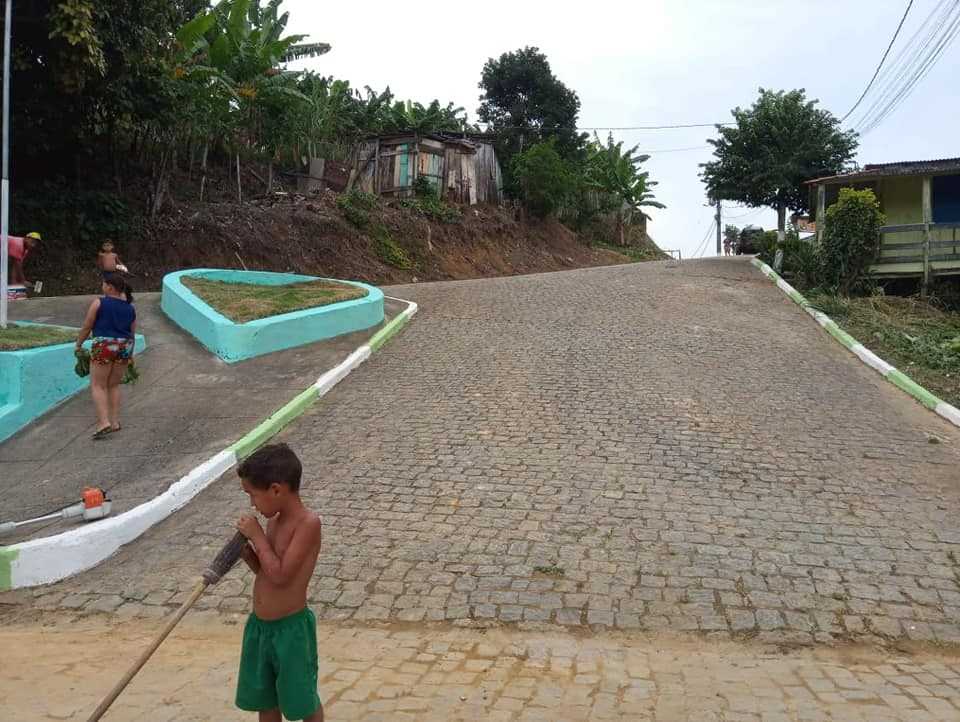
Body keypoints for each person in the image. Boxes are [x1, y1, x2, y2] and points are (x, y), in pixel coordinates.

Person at [235, 443, 324, 722]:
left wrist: (258, 537)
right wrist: (249, 554)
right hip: (261, 629)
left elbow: (282, 576)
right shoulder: (273, 521)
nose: (252, 504)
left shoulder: (307, 524)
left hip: (291, 632)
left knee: (302, 698)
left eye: (253, 495)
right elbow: (267, 572)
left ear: (276, 490)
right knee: (266, 700)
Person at [75, 272, 136, 439]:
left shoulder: (99, 302)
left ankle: (103, 422)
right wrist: (130, 354)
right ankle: (114, 422)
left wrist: (79, 344)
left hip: (104, 345)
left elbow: (87, 326)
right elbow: (132, 333)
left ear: (110, 287)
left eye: (103, 284)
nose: (102, 286)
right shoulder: (130, 308)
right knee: (114, 385)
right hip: (125, 346)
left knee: (98, 385)